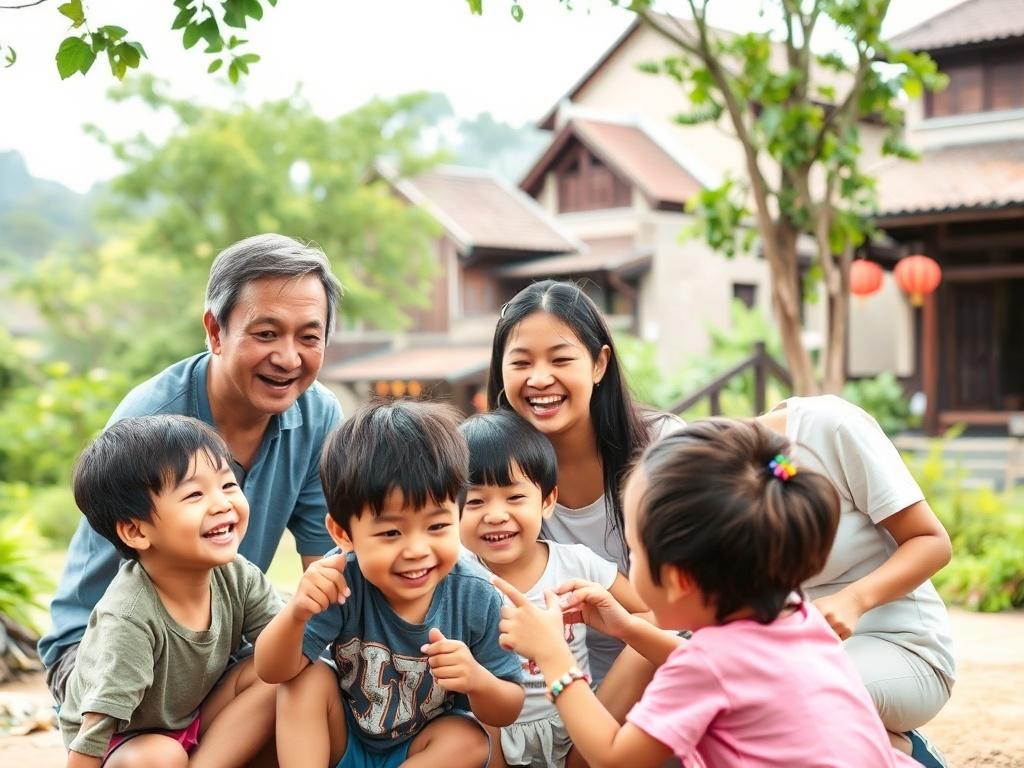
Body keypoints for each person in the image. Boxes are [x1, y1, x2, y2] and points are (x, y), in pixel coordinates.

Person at [493, 419, 918, 768]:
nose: (629, 563)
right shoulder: (794, 614)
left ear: (678, 579)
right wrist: (628, 628)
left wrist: (554, 658)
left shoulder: (705, 669)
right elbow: (724, 676)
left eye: (634, 552)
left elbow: (613, 758)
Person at [41, 233, 344, 705]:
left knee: (311, 680)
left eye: (309, 337)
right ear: (216, 331)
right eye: (266, 334)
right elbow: (128, 613)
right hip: (107, 650)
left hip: (216, 642)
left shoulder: (318, 416)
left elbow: (327, 567)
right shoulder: (152, 422)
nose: (288, 358)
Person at [254, 400, 525, 768]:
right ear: (343, 533)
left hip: (420, 749)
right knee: (304, 681)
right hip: (343, 735)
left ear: (458, 515)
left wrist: (477, 680)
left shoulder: (474, 595)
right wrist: (296, 613)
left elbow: (507, 709)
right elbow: (272, 671)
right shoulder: (340, 580)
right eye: (391, 532)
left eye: (437, 526)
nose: (416, 550)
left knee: (469, 739)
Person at [59, 415, 283, 768]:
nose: (222, 503)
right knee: (162, 756)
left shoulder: (237, 575)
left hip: (192, 718)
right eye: (195, 494)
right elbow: (96, 727)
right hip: (123, 741)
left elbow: (284, 643)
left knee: (275, 675)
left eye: (227, 485)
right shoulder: (129, 615)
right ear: (135, 531)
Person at [486, 279, 682, 683]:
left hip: (667, 680)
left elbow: (675, 611)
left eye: (560, 360)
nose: (539, 379)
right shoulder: (485, 475)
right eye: (521, 363)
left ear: (599, 364)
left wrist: (591, 742)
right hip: (542, 708)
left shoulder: (662, 449)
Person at [757, 395, 954, 767]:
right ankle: (889, 746)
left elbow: (932, 543)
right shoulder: (745, 477)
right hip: (809, 655)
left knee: (789, 704)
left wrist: (854, 601)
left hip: (904, 646)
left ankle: (913, 757)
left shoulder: (831, 428)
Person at [458, 410, 648, 768]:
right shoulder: (456, 575)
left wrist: (616, 619)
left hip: (575, 723)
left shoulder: (576, 563)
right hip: (495, 734)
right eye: (475, 501)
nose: (496, 515)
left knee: (644, 647)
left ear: (547, 501)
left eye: (514, 497)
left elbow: (648, 611)